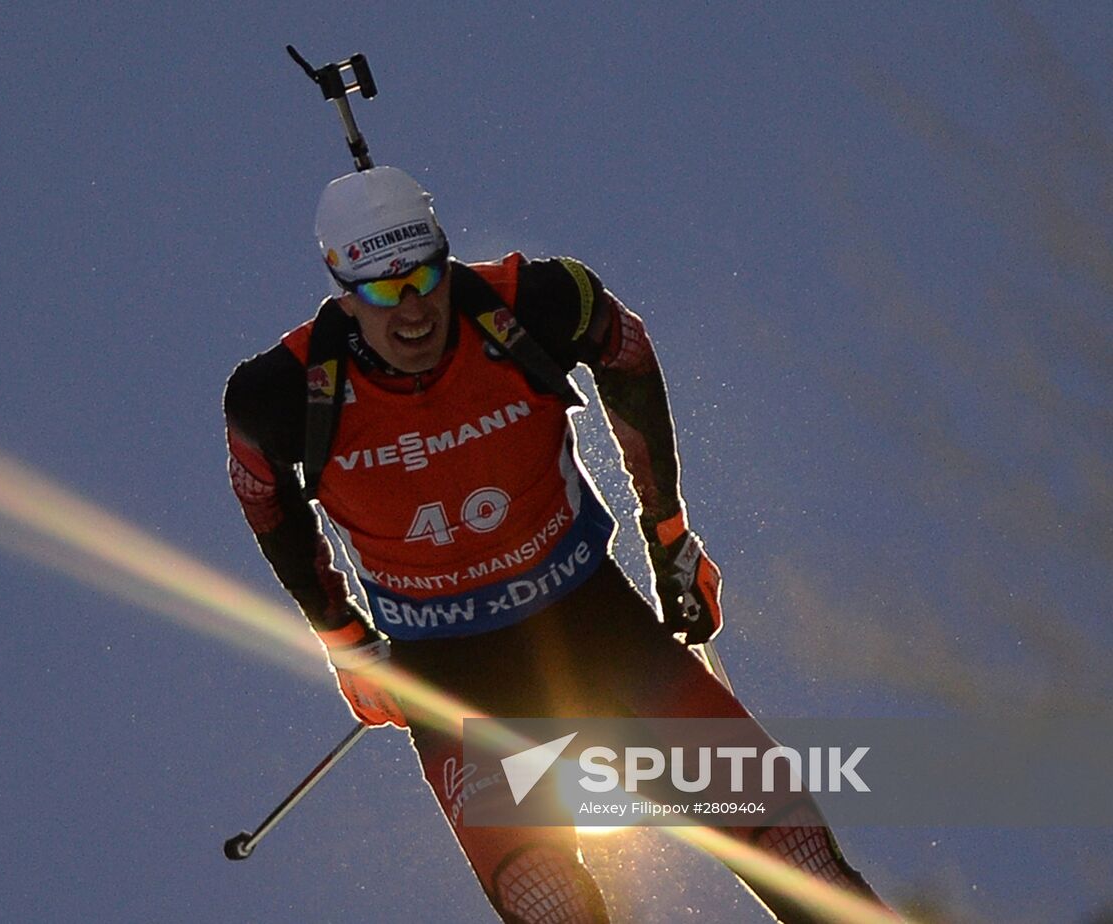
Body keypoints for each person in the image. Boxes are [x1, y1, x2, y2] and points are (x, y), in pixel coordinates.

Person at [223, 166, 892, 923]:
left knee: (796, 851)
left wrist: (667, 533)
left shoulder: (534, 304)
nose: (411, 310)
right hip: (452, 672)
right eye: (381, 290)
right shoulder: (281, 394)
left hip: (591, 623)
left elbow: (627, 356)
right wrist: (340, 634)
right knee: (547, 903)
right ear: (343, 292)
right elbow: (262, 497)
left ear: (447, 259)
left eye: (424, 277)